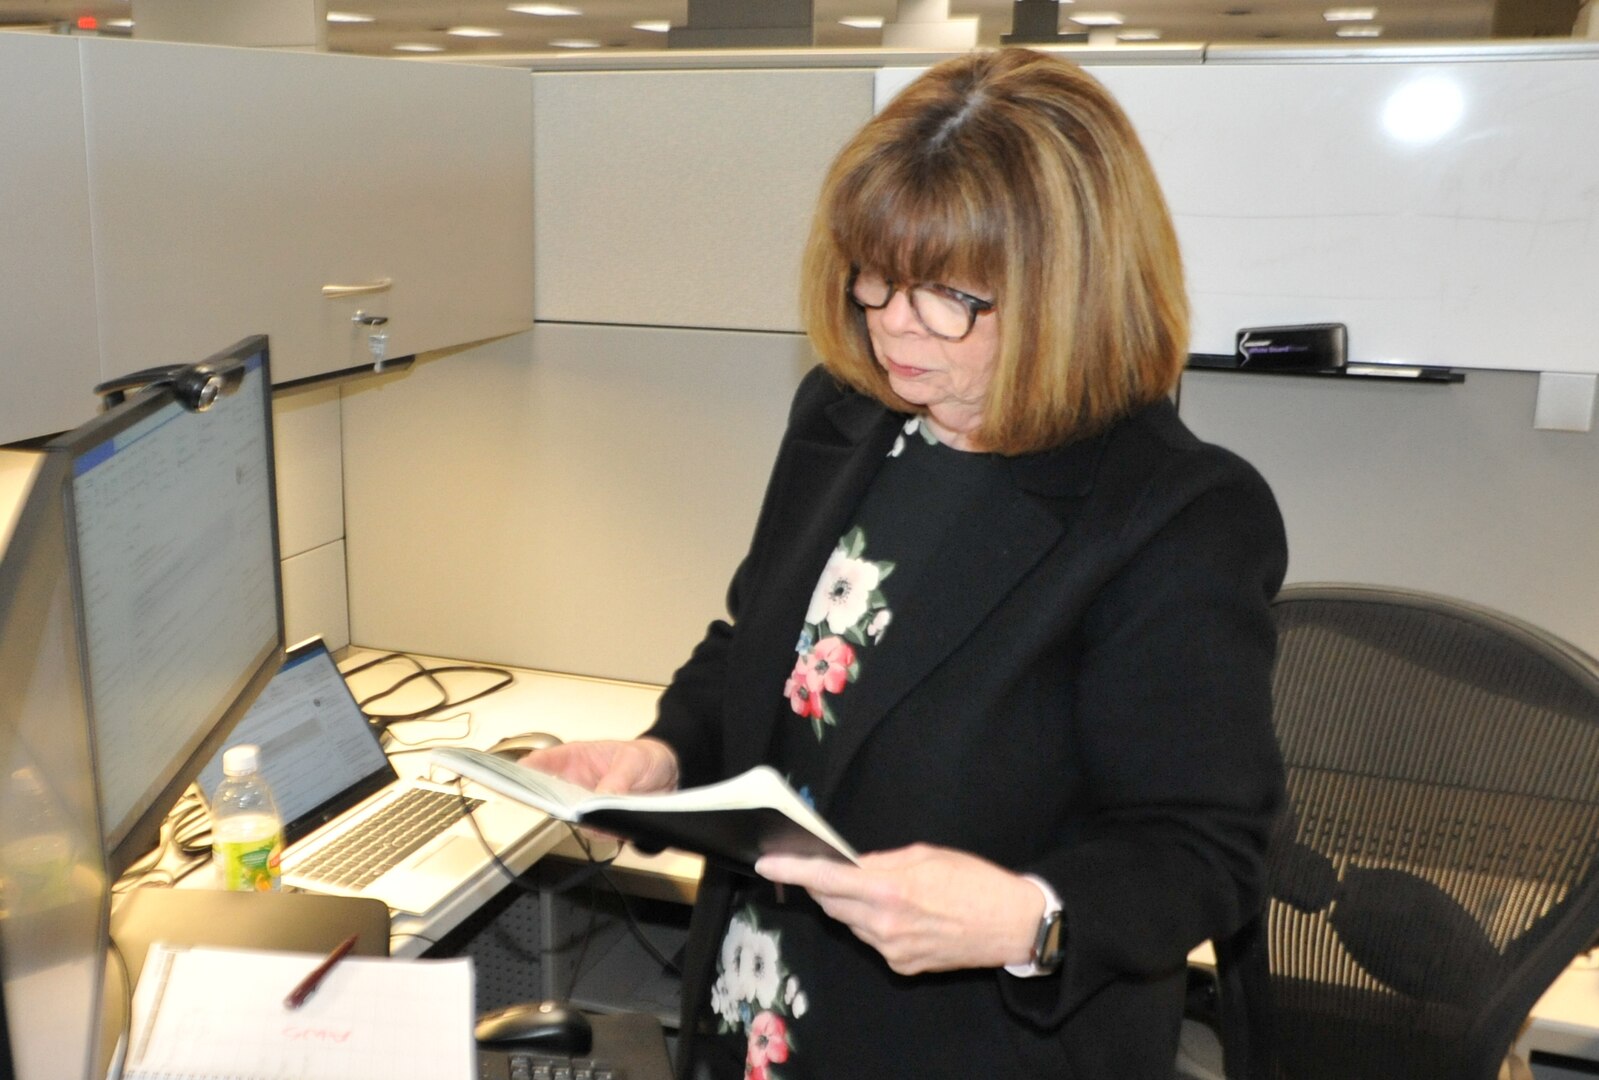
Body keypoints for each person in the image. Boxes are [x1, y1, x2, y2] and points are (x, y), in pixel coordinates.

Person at [522, 47, 1289, 1079]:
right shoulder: (846, 423)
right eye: (872, 280)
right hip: (757, 1007)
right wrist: (663, 756)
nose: (890, 327)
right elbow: (760, 647)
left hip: (979, 1047)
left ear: (1068, 287)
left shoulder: (1175, 514)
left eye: (946, 296)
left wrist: (1031, 918)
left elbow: (1208, 848)